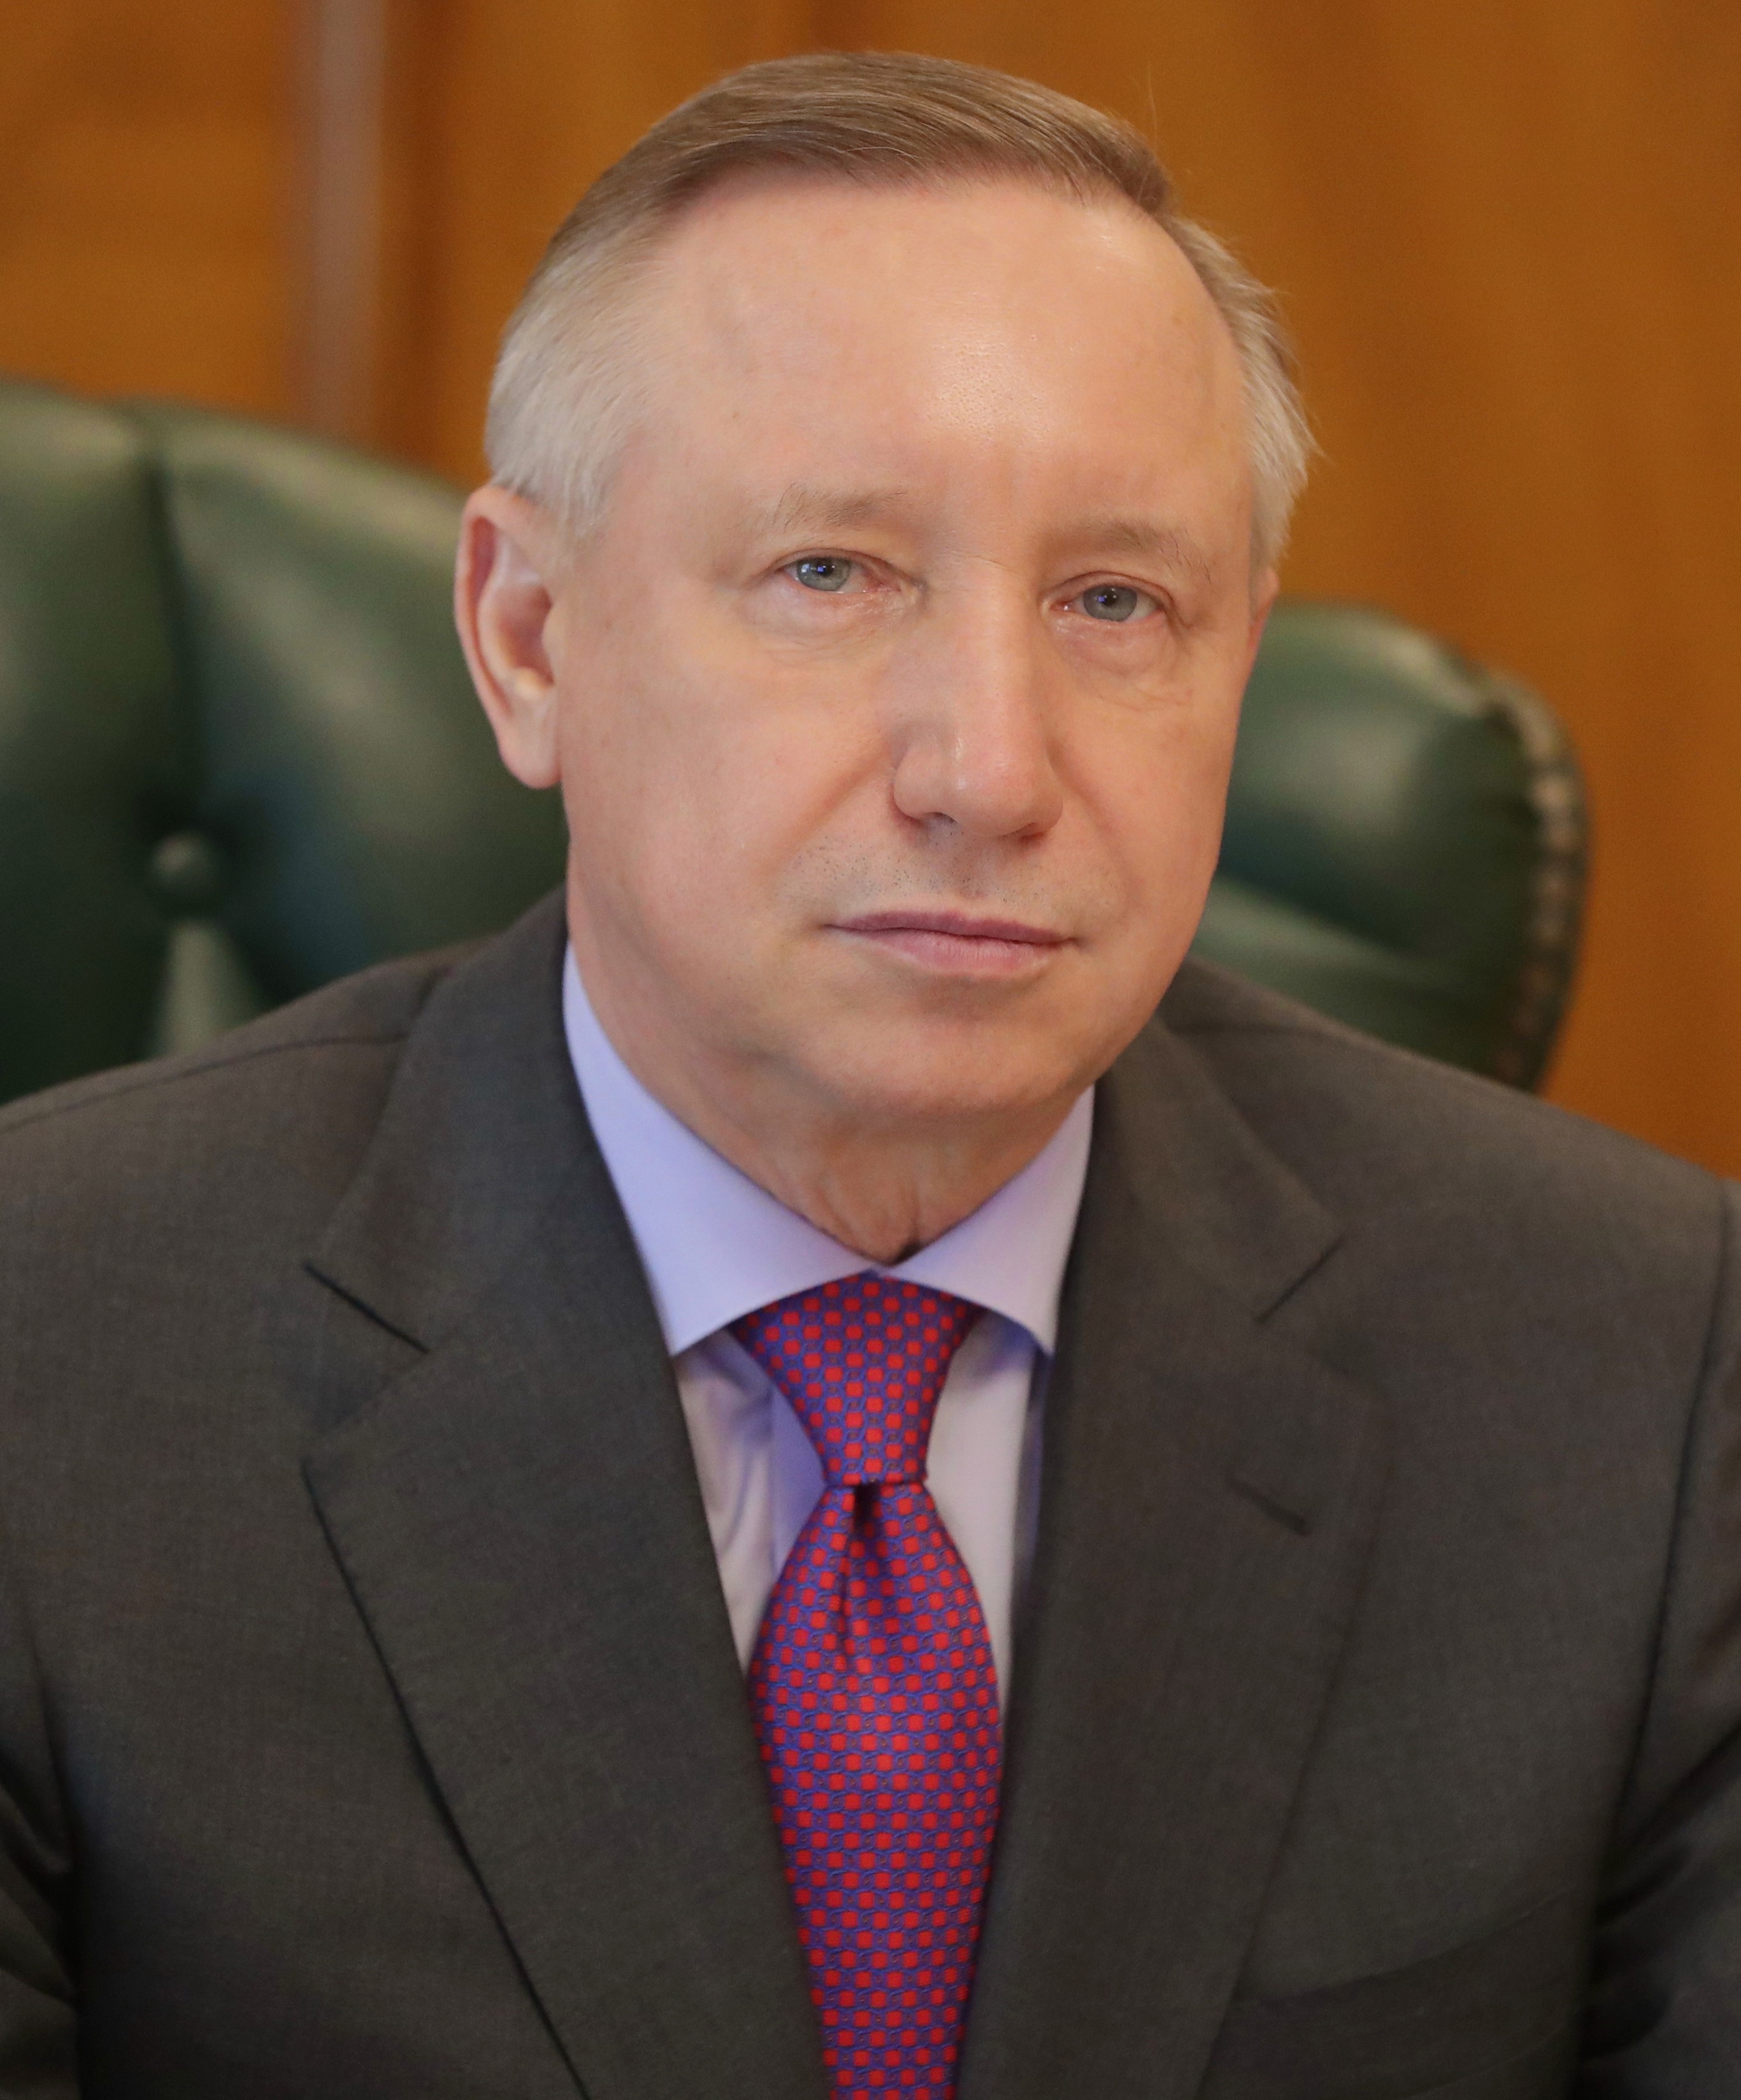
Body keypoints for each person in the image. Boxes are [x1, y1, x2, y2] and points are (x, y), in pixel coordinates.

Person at [0, 48, 1735, 2100]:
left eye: (1116, 601)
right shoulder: (49, 1349)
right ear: (529, 635)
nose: (989, 770)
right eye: (831, 572)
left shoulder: (1644, 1367)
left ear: (1241, 659)